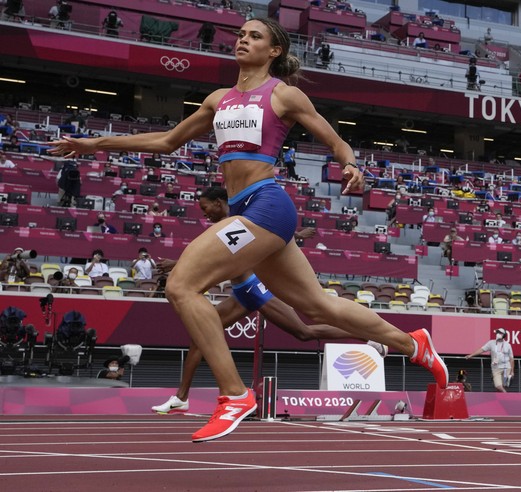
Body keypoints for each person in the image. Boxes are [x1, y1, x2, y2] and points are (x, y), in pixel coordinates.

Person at [49, 17, 448, 443]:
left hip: (267, 206)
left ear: (274, 50)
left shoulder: (283, 94)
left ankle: (234, 395)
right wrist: (96, 144)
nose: (243, 39)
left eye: (254, 35)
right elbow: (167, 141)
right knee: (317, 308)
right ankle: (413, 344)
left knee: (182, 285)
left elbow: (335, 140)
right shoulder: (218, 99)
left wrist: (349, 164)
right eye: (240, 33)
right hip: (246, 209)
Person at [152, 187, 386, 414]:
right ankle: (181, 398)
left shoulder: (238, 220)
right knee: (199, 337)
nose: (204, 213)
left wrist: (175, 265)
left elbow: (260, 239)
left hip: (256, 289)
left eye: (205, 208)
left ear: (218, 203)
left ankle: (367, 336)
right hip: (241, 294)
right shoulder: (224, 227)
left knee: (303, 332)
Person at [465, 327, 514, 392]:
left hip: (506, 368)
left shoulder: (508, 345)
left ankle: (501, 399)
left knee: (503, 386)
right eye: (497, 332)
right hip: (496, 368)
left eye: (499, 333)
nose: (497, 334)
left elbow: (511, 359)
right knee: (498, 386)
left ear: (503, 335)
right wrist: (471, 355)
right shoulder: (491, 343)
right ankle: (507, 396)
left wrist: (512, 371)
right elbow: (481, 350)